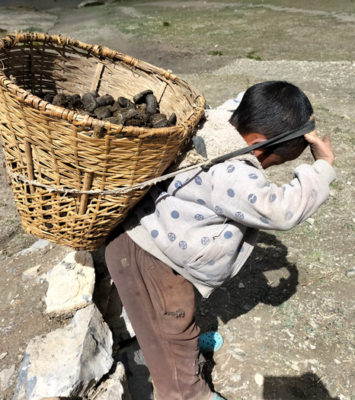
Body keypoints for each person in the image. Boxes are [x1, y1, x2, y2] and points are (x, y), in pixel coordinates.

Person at [105, 81, 335, 400]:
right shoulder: (233, 173)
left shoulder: (215, 119)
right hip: (149, 260)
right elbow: (282, 210)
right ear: (258, 142)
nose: (267, 170)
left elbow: (243, 99)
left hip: (156, 243)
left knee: (175, 321)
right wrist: (321, 168)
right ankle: (186, 392)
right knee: (168, 334)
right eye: (275, 162)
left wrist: (301, 120)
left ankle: (183, 344)